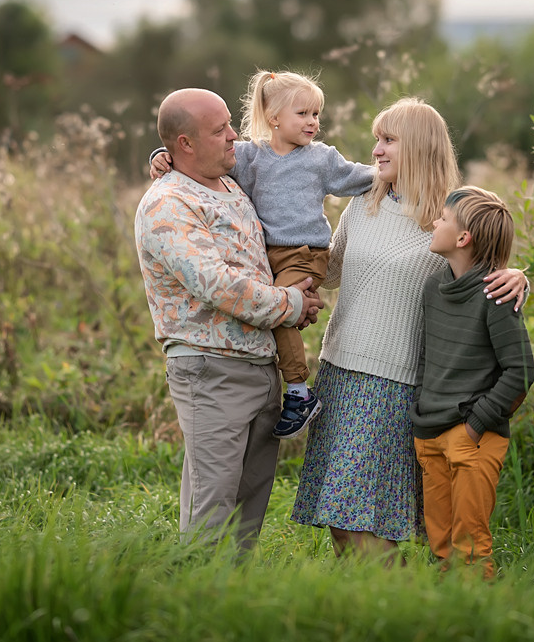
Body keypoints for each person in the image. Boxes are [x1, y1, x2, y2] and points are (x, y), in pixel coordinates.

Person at [290, 97, 529, 562]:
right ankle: (381, 610)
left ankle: (405, 609)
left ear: (418, 147)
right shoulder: (363, 203)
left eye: (388, 140)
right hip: (339, 370)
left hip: (394, 383)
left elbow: (483, 268)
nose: (376, 150)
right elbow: (328, 267)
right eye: (377, 139)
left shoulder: (447, 216)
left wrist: (520, 276)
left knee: (363, 522)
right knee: (340, 522)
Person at [134, 87, 325, 552]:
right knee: (212, 507)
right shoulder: (168, 204)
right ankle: (195, 606)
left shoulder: (230, 183)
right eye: (219, 130)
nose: (233, 136)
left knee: (248, 507)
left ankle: (232, 603)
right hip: (211, 370)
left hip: (261, 367)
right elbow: (216, 284)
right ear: (185, 144)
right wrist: (290, 304)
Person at [149, 70, 375, 439]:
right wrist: (162, 155)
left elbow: (362, 177)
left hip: (305, 253)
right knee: (274, 308)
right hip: (268, 255)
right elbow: (195, 152)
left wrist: (398, 170)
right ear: (274, 119)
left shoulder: (321, 159)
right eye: (303, 114)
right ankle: (288, 382)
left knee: (283, 313)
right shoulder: (250, 157)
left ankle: (300, 392)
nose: (313, 122)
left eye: (316, 114)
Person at [411, 186, 534, 579]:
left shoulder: (495, 293)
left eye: (444, 219)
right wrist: (421, 409)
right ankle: (448, 614)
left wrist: (475, 425)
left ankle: (479, 615)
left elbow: (520, 372)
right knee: (441, 545)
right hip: (429, 431)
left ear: (463, 237)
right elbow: (427, 356)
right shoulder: (434, 286)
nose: (434, 222)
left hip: (473, 436)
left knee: (470, 546)